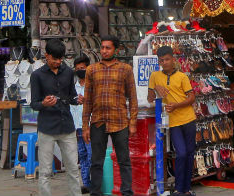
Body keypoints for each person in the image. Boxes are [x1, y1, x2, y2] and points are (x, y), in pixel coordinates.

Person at [82, 36, 137, 196]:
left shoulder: (125, 69)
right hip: (98, 121)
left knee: (124, 161)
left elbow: (132, 97)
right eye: (103, 48)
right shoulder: (91, 70)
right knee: (96, 161)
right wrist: (85, 125)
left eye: (108, 48)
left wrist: (132, 121)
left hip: (119, 121)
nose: (104, 51)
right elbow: (87, 100)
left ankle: (126, 191)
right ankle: (96, 192)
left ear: (116, 50)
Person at [30, 39, 82, 196]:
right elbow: (34, 103)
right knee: (45, 171)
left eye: (61, 59)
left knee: (73, 168)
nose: (58, 62)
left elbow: (71, 97)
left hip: (67, 126)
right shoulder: (37, 75)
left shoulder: (67, 72)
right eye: (55, 59)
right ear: (47, 56)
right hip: (47, 127)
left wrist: (78, 100)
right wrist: (44, 103)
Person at [147, 46, 196, 196]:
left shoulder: (182, 76)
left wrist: (176, 105)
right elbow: (149, 99)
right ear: (158, 61)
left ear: (173, 60)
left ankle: (186, 189)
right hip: (173, 122)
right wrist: (155, 88)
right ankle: (178, 188)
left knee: (189, 153)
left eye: (167, 59)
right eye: (161, 60)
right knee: (181, 153)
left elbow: (192, 98)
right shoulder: (155, 76)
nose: (165, 63)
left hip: (188, 119)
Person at [70, 55, 92, 194]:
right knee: (82, 156)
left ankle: (95, 183)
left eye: (82, 68)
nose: (80, 71)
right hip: (77, 127)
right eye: (77, 69)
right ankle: (86, 183)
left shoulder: (92, 86)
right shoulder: (73, 88)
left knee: (91, 156)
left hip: (89, 127)